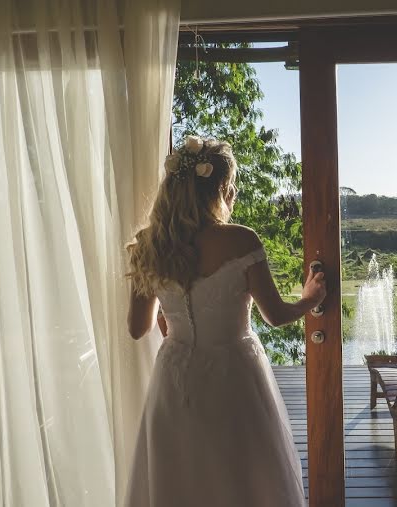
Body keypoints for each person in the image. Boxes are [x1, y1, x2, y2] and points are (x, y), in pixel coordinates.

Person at [123, 135, 325, 506]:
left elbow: (138, 328)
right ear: (220, 188)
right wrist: (309, 299)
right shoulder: (241, 241)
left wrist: (175, 313)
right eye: (231, 187)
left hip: (175, 378)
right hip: (233, 375)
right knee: (240, 478)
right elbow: (276, 316)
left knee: (181, 476)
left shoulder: (151, 245)